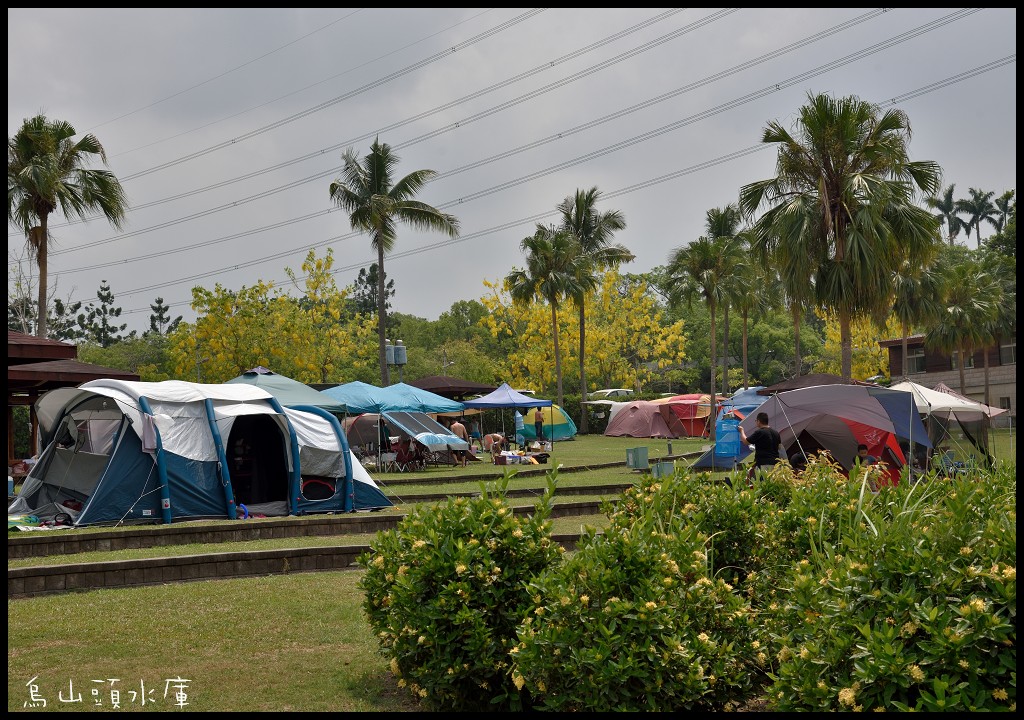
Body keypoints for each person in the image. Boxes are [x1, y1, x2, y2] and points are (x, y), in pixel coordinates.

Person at [738, 411, 783, 483]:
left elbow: (746, 442)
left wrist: (741, 431)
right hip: (775, 464)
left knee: (763, 484)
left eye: (756, 421)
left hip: (763, 463)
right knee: (773, 484)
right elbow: (779, 447)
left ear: (758, 421)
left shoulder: (760, 432)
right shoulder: (776, 433)